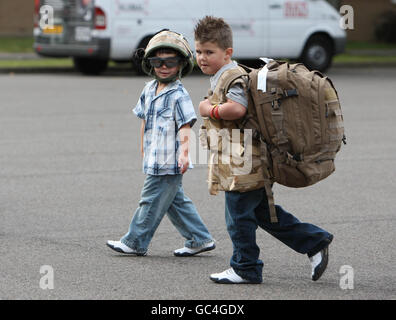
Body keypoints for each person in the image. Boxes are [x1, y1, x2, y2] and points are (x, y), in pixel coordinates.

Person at [194, 16, 333, 284]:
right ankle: (315, 242)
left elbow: (237, 109)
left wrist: (208, 109)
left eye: (209, 52)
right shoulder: (224, 74)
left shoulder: (232, 76)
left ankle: (245, 267)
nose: (202, 57)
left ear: (228, 53)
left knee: (238, 217)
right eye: (199, 51)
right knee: (263, 214)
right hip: (245, 159)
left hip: (244, 162)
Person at [107, 30, 215, 257]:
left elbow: (186, 126)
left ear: (181, 64)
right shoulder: (148, 89)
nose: (163, 67)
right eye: (157, 61)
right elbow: (144, 120)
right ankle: (200, 239)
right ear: (150, 63)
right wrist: (143, 147)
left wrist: (185, 154)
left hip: (170, 160)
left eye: (170, 62)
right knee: (175, 202)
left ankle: (135, 241)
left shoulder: (179, 94)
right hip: (155, 157)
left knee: (150, 199)